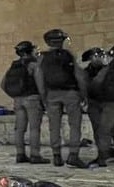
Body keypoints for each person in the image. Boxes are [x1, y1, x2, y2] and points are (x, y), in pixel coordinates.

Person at [36, 28, 88, 167]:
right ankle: (73, 155)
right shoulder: (69, 55)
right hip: (71, 93)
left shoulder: (42, 57)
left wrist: (43, 96)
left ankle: (57, 156)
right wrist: (84, 94)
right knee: (74, 125)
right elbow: (79, 76)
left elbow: (39, 78)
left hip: (52, 94)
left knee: (54, 126)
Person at [1, 41, 45, 164]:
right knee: (34, 128)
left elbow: (2, 84)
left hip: (18, 100)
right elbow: (40, 85)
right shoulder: (33, 65)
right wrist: (44, 99)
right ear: (30, 51)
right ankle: (35, 155)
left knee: (19, 129)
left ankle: (20, 154)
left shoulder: (13, 65)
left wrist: (15, 95)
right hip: (32, 99)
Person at [82, 47, 114, 162]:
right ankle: (102, 154)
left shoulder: (109, 70)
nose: (99, 58)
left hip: (109, 102)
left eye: (100, 55)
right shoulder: (86, 72)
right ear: (91, 58)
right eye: (96, 56)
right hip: (94, 103)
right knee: (98, 129)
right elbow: (85, 87)